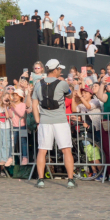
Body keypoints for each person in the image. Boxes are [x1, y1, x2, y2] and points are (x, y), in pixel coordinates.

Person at [31, 59, 76, 189]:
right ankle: (70, 179)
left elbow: (34, 105)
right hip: (60, 120)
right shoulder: (62, 84)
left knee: (42, 151)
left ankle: (40, 179)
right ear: (55, 69)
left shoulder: (38, 85)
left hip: (44, 121)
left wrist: (38, 120)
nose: (60, 71)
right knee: (66, 149)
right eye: (60, 69)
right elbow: (69, 96)